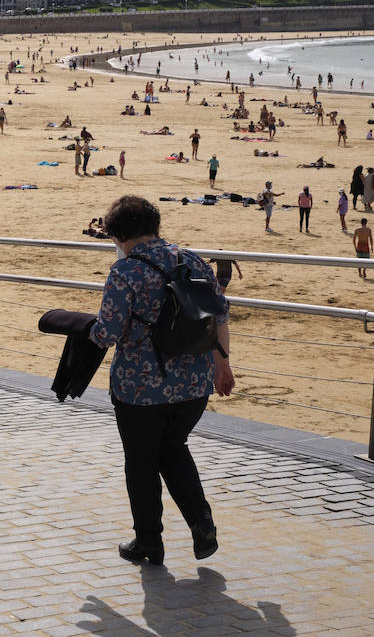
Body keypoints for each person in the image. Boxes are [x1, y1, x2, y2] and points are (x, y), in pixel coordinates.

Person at [89, 195, 233, 566]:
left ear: (118, 234)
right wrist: (223, 365)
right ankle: (201, 521)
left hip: (141, 386)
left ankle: (148, 541)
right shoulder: (192, 259)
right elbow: (219, 316)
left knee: (141, 462)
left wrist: (81, 329)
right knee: (173, 448)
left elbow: (107, 332)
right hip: (195, 383)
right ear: (155, 224)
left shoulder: (125, 271)